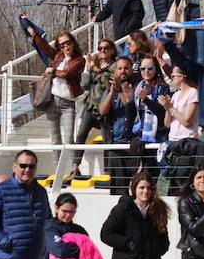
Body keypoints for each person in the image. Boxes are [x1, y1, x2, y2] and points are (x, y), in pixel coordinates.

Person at [0, 149, 52, 259]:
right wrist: (6, 243)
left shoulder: (41, 192)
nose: (27, 170)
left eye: (31, 166)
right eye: (23, 166)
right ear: (14, 167)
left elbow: (47, 219)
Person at [29, 28, 85, 168]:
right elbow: (44, 47)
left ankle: (74, 170)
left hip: (68, 104)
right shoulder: (58, 56)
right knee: (55, 140)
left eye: (68, 43)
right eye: (62, 45)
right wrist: (32, 32)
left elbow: (67, 73)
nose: (66, 47)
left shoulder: (79, 60)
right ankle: (58, 170)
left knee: (68, 139)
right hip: (52, 101)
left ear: (73, 43)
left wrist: (52, 70)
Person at [101, 170, 171, 259]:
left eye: (149, 188)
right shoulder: (123, 209)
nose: (145, 191)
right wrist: (129, 243)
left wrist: (154, 252)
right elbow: (106, 234)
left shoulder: (157, 210)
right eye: (142, 188)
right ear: (134, 188)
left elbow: (164, 239)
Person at [72, 39, 117, 176]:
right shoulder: (95, 65)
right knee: (81, 135)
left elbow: (108, 86)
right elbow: (85, 85)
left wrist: (99, 70)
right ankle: (75, 167)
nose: (103, 50)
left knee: (106, 138)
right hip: (91, 105)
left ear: (112, 50)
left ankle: (107, 170)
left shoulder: (115, 66)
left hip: (106, 106)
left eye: (106, 48)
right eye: (100, 48)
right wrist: (89, 68)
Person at [100, 57, 139, 196]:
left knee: (135, 188)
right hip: (115, 145)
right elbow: (102, 111)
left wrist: (121, 90)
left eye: (126, 68)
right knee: (118, 189)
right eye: (120, 68)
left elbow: (131, 110)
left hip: (132, 145)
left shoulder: (136, 87)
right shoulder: (110, 89)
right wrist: (112, 91)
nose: (123, 71)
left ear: (131, 70)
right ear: (115, 71)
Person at [126, 55, 171, 175]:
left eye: (150, 68)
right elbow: (133, 113)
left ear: (156, 69)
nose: (146, 71)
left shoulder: (162, 87)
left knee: (159, 172)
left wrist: (146, 99)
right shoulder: (138, 86)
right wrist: (129, 100)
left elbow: (162, 113)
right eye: (143, 68)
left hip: (159, 135)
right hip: (143, 135)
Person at [45, 193, 100, 259]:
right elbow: (60, 250)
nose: (68, 215)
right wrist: (81, 249)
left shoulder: (79, 230)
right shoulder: (49, 228)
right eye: (65, 211)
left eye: (72, 212)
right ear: (56, 208)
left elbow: (89, 252)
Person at [161, 65, 200, 142]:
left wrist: (171, 108)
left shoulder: (193, 92)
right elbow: (167, 124)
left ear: (181, 77)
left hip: (187, 140)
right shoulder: (175, 95)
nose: (171, 78)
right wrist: (167, 108)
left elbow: (187, 122)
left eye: (173, 76)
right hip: (172, 140)